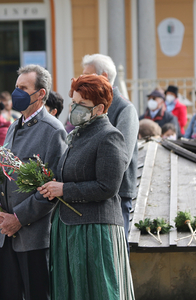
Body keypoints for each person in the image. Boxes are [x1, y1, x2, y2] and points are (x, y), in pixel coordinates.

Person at [38, 74, 135, 300]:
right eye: (74, 102)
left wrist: (64, 189)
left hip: (96, 230)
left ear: (100, 108)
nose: (74, 108)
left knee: (100, 291)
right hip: (69, 227)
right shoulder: (77, 135)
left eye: (82, 104)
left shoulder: (109, 136)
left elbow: (107, 187)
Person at [0, 64, 67, 300]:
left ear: (41, 93)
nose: (17, 93)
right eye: (16, 88)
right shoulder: (13, 126)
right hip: (5, 234)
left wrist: (19, 218)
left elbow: (52, 188)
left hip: (33, 237)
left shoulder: (53, 130)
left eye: (24, 88)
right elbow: (0, 173)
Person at [82, 53, 139, 255]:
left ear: (104, 76)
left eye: (87, 75)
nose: (82, 80)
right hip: (93, 191)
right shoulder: (87, 106)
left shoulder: (125, 109)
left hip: (117, 193)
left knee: (115, 253)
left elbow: (121, 157)